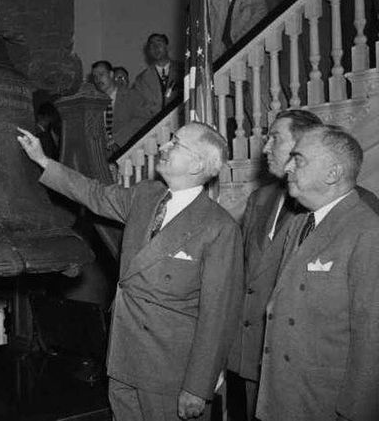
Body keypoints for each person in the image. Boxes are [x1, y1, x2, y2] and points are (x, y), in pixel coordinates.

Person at [17, 122, 243, 421]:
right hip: (123, 356)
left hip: (170, 371)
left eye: (175, 144)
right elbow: (93, 193)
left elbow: (219, 315)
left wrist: (198, 387)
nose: (163, 147)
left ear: (197, 163)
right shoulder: (146, 195)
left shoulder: (219, 227)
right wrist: (43, 161)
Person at [256, 125, 379, 421]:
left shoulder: (367, 232)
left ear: (332, 173)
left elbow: (372, 339)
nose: (287, 167)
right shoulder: (300, 223)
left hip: (323, 404)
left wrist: (355, 414)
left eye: (298, 159)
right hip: (282, 396)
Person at [226, 109, 322, 421]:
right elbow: (243, 273)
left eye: (274, 139)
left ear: (302, 145)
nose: (265, 147)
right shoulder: (260, 198)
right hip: (253, 357)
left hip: (302, 367)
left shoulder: (334, 205)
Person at [91, 60, 151, 152]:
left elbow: (143, 120)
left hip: (129, 152)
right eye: (95, 77)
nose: (98, 79)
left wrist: (118, 139)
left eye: (101, 74)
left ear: (111, 74)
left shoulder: (132, 96)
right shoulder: (93, 103)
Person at [134, 33, 182, 113]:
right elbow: (140, 108)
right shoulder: (141, 80)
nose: (156, 48)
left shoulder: (183, 71)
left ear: (167, 47)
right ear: (148, 51)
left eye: (159, 43)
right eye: (152, 45)